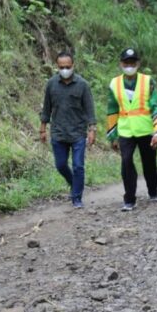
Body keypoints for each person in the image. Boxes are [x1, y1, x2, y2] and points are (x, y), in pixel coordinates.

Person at [106, 48, 157, 212]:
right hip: (125, 131)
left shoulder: (148, 81)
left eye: (132, 63)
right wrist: (113, 136)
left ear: (138, 64)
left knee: (149, 163)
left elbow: (156, 107)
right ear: (121, 64)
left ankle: (153, 192)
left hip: (146, 129)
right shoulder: (114, 83)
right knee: (126, 163)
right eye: (126, 63)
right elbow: (112, 110)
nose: (129, 66)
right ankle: (129, 199)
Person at [39, 51, 96, 209]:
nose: (65, 70)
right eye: (61, 67)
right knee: (60, 165)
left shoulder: (82, 85)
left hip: (78, 132)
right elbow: (46, 108)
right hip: (58, 132)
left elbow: (90, 109)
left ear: (73, 66)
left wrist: (92, 130)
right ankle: (74, 183)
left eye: (67, 67)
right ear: (57, 67)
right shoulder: (51, 84)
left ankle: (77, 197)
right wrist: (42, 129)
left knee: (78, 165)